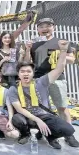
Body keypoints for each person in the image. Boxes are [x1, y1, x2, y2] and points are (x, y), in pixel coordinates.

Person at [9, 40, 78, 149]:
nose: (26, 74)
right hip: (27, 117)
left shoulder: (41, 81)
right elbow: (20, 109)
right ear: (18, 74)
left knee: (68, 129)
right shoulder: (14, 89)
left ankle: (50, 136)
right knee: (17, 119)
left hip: (44, 115)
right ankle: (25, 133)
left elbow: (59, 69)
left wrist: (64, 50)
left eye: (28, 71)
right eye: (22, 71)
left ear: (33, 73)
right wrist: (37, 120)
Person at [24, 18, 78, 146]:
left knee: (62, 107)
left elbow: (72, 59)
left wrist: (62, 53)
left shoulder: (61, 42)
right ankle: (48, 134)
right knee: (42, 109)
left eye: (48, 25)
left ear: (54, 27)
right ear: (37, 29)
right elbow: (28, 62)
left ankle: (69, 134)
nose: (44, 28)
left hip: (57, 79)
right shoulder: (35, 44)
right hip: (38, 79)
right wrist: (27, 49)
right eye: (41, 26)